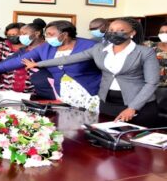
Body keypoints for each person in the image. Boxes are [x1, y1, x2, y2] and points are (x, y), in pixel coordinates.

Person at [24, 18, 159, 127]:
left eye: (120, 30)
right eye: (111, 30)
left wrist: (133, 108)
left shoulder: (145, 52)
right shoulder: (100, 49)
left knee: (138, 146)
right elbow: (68, 59)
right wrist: (37, 64)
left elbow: (152, 83)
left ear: (132, 33)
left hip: (138, 105)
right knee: (108, 142)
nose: (114, 32)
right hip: (108, 102)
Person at [0, 21, 101, 110]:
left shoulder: (89, 45)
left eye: (51, 34)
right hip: (63, 92)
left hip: (89, 92)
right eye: (46, 34)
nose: (48, 37)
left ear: (65, 34)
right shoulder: (46, 48)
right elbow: (18, 61)